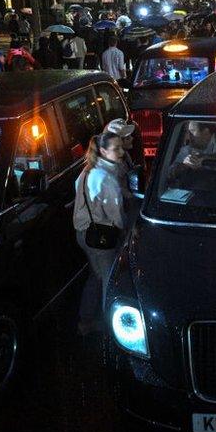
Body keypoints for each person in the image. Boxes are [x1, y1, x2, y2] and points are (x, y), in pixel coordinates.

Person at [73, 132, 131, 335]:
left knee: (96, 275)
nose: (121, 152)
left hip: (84, 234)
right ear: (104, 151)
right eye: (116, 149)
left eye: (121, 147)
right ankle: (110, 329)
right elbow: (117, 218)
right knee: (109, 279)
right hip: (100, 237)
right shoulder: (106, 178)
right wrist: (128, 235)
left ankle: (85, 320)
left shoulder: (87, 171)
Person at [171, 121, 216, 185]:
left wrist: (204, 158)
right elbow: (170, 173)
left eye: (192, 132)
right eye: (187, 132)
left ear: (206, 132)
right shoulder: (187, 149)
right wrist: (184, 166)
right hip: (197, 190)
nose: (188, 137)